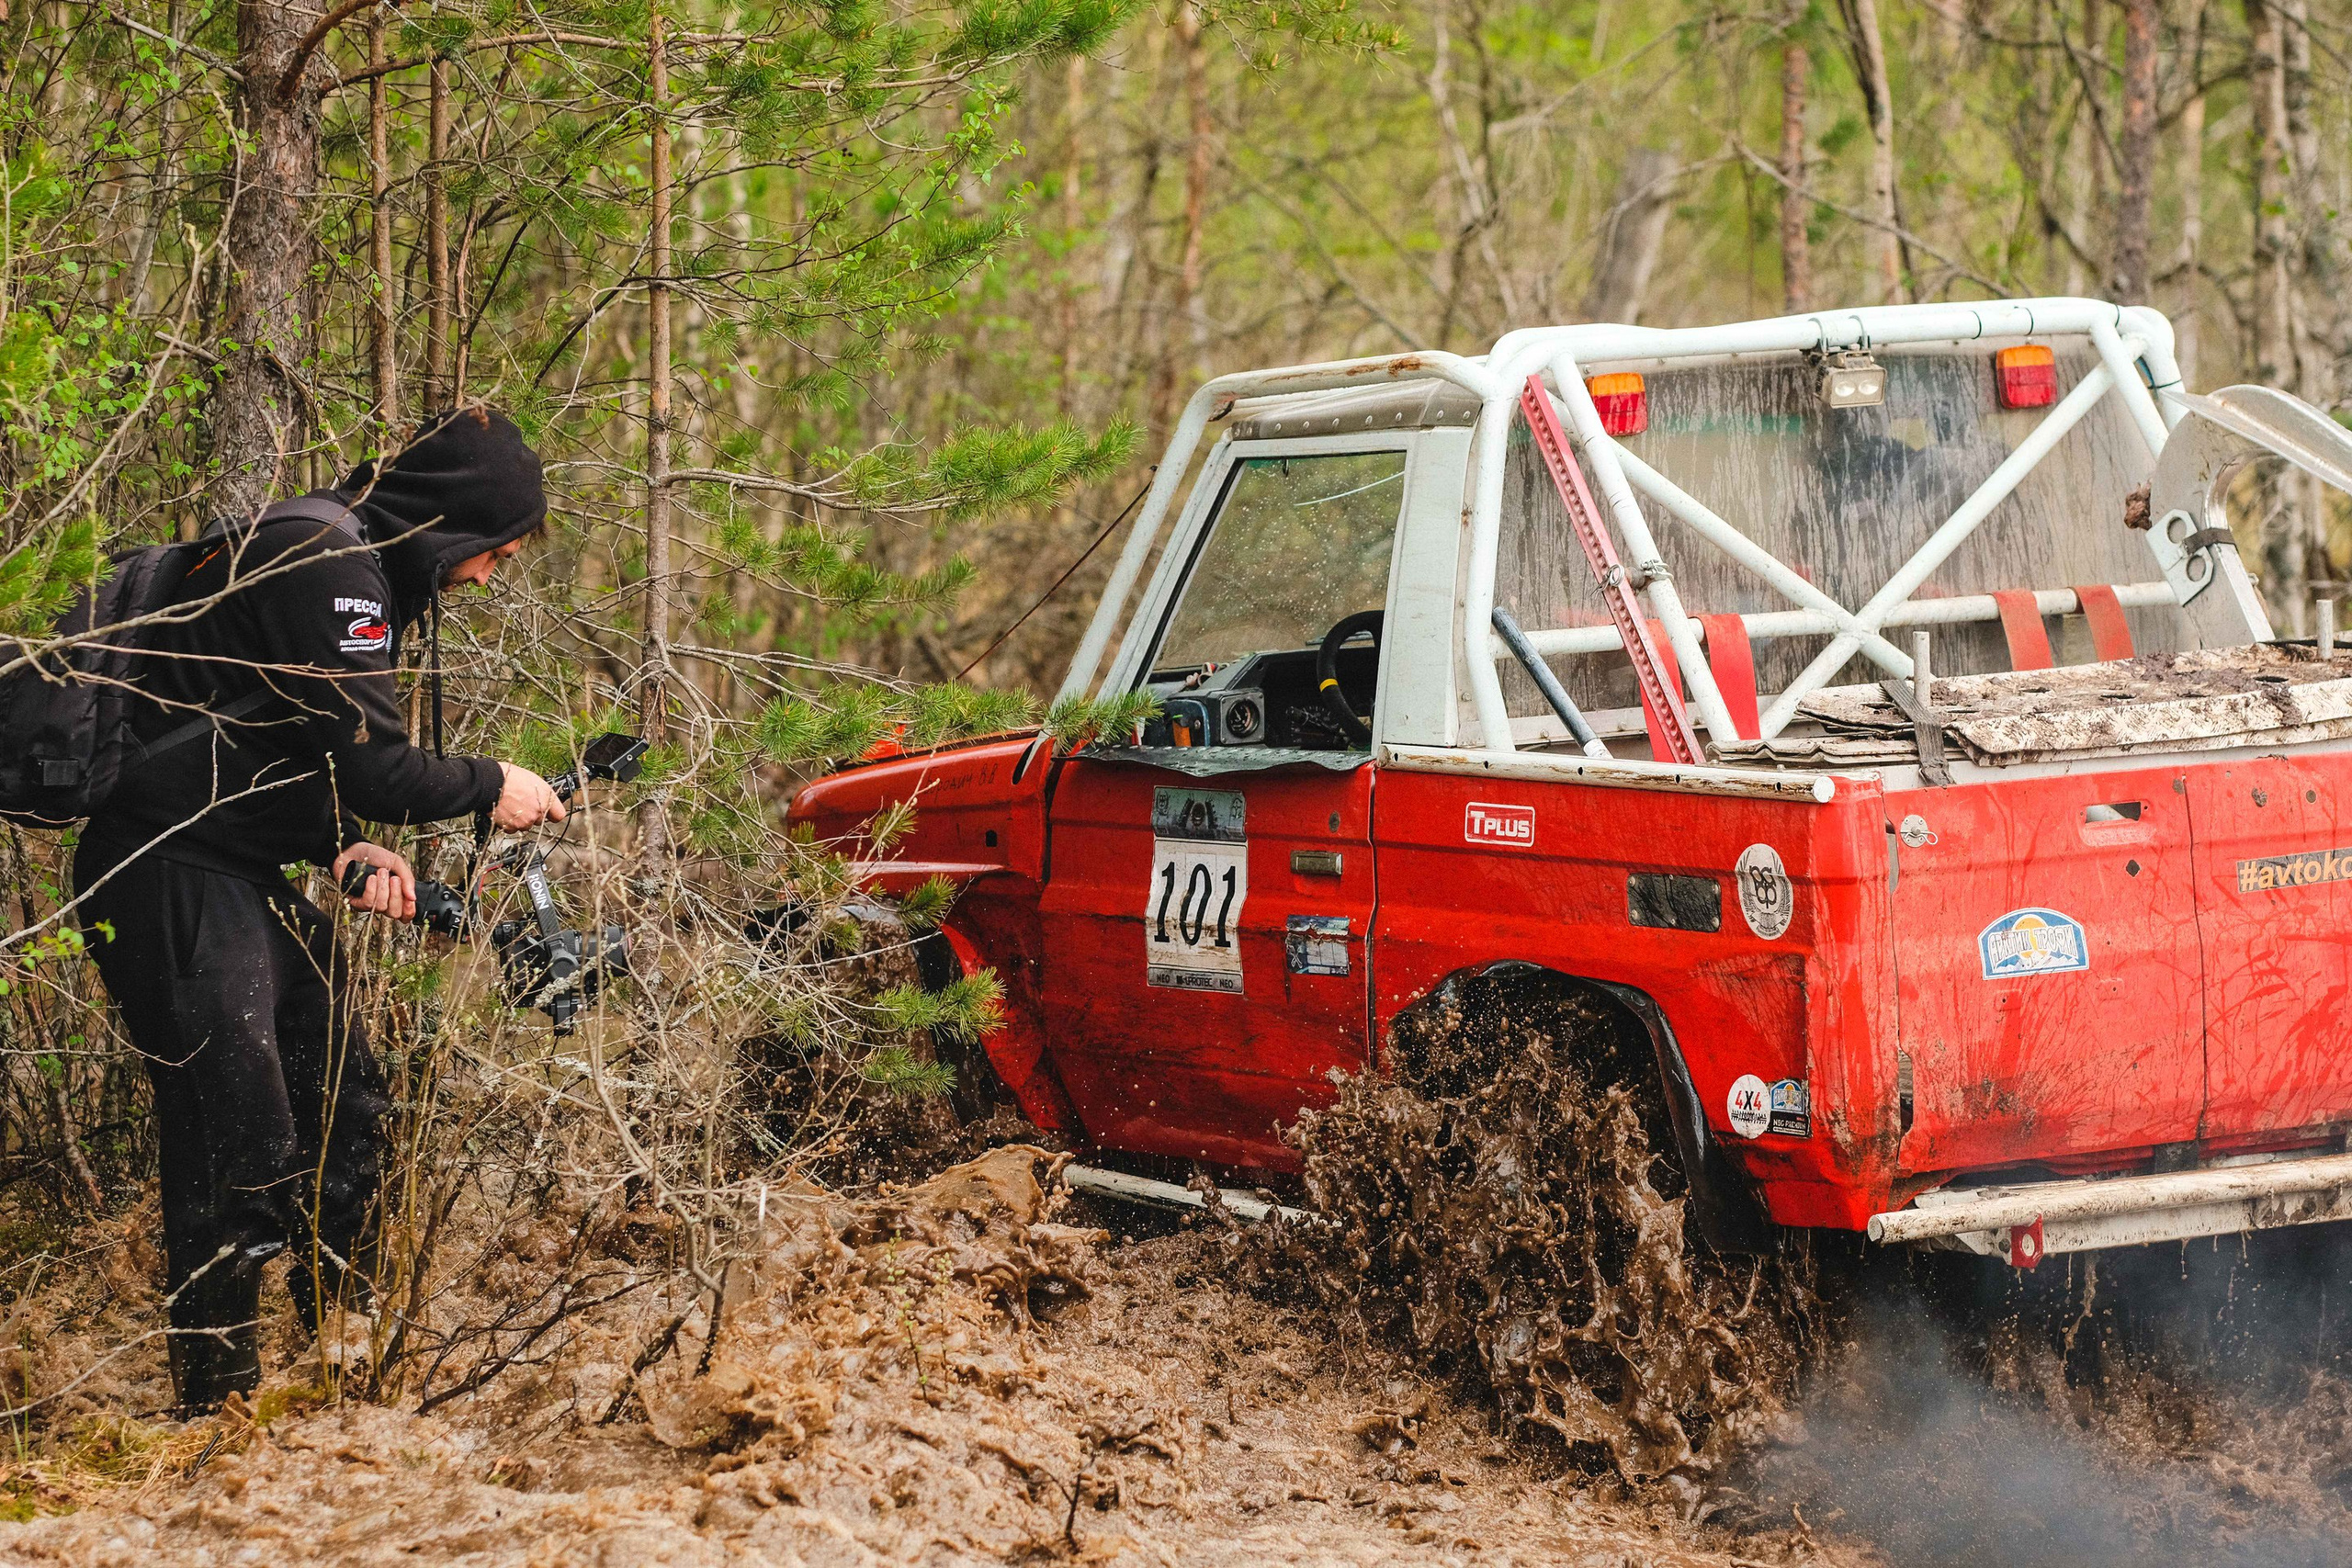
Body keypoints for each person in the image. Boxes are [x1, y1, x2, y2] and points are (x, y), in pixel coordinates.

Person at [74, 407, 569, 1416]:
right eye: (492, 555)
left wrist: (337, 841)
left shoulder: (333, 551)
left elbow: (246, 729)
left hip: (227, 863)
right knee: (233, 1131)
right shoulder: (327, 562)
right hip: (164, 870)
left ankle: (347, 1358)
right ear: (455, 522)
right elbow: (378, 762)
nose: (484, 578)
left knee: (344, 1090)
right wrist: (490, 782)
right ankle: (216, 1416)